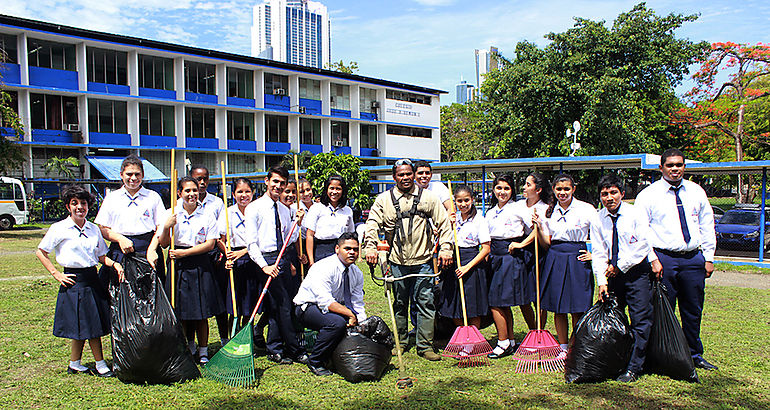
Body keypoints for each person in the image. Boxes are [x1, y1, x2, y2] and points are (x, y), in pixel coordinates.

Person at [635, 148, 718, 371]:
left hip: (692, 259)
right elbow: (641, 232)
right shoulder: (649, 195)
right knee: (662, 310)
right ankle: (663, 356)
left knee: (693, 310)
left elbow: (707, 224)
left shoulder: (696, 191)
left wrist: (708, 257)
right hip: (664, 259)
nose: (674, 169)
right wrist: (652, 259)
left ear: (684, 167)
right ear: (661, 167)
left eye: (679, 165)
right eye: (670, 165)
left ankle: (694, 354)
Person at [363, 158, 453, 361]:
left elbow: (444, 224)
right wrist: (370, 248)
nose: (405, 177)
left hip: (423, 261)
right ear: (394, 177)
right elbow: (372, 224)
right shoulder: (383, 200)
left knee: (426, 302)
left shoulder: (428, 198)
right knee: (400, 303)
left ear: (413, 174)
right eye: (400, 174)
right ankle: (400, 342)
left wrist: (446, 249)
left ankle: (425, 345)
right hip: (397, 262)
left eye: (408, 173)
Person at [36, 184, 124, 377]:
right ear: (68, 206)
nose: (79, 207)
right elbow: (41, 251)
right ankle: (101, 364)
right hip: (74, 282)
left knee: (85, 324)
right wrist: (56, 274)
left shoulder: (93, 229)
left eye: (83, 203)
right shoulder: (59, 228)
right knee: (89, 325)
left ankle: (74, 363)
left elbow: (101, 256)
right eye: (74, 203)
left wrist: (115, 264)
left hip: (92, 279)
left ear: (88, 206)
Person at [148, 176, 225, 364]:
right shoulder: (170, 213)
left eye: (194, 190)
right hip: (177, 263)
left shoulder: (206, 214)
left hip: (199, 262)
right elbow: (165, 243)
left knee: (201, 311)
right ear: (179, 193)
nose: (192, 194)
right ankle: (187, 346)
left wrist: (186, 253)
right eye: (187, 191)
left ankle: (204, 350)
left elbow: (210, 244)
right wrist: (166, 227)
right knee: (180, 310)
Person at [590, 174, 656, 382]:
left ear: (622, 194)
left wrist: (620, 266)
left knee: (640, 320)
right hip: (612, 275)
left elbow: (643, 245)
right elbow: (599, 251)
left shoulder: (635, 214)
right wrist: (602, 281)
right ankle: (617, 360)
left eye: (613, 193)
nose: (609, 197)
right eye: (604, 194)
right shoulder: (598, 218)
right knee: (615, 319)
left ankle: (635, 366)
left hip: (636, 273)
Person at [244, 165, 307, 365]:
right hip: (266, 259)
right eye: (275, 182)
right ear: (267, 181)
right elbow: (251, 243)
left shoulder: (284, 208)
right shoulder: (254, 208)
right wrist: (264, 266)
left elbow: (291, 238)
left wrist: (298, 221)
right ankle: (294, 349)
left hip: (284, 257)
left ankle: (275, 348)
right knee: (283, 305)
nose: (278, 186)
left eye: (282, 183)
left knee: (278, 305)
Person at [533, 174, 596, 356]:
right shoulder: (549, 211)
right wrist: (538, 228)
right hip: (556, 257)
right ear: (553, 190)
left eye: (566, 189)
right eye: (559, 189)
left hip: (577, 258)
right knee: (558, 306)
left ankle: (577, 345)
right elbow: (548, 243)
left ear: (573, 189)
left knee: (577, 306)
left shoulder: (586, 209)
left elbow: (600, 234)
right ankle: (563, 346)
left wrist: (594, 253)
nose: (563, 193)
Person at [293, 232, 366, 376]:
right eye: (347, 249)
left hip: (334, 306)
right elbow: (325, 301)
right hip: (307, 307)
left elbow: (357, 302)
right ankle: (315, 361)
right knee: (336, 323)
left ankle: (333, 355)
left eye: (355, 249)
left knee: (354, 323)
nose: (352, 252)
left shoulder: (356, 272)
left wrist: (362, 322)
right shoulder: (324, 267)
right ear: (337, 249)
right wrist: (350, 314)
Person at [95, 155, 166, 285]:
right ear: (121, 175)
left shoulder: (153, 197)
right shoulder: (112, 198)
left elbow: (160, 227)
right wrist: (120, 239)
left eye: (137, 174)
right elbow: (103, 227)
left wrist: (152, 250)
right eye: (129, 174)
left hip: (147, 249)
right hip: (120, 251)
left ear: (143, 175)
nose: (133, 178)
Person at [484, 175, 530, 358]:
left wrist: (520, 244)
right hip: (494, 255)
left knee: (496, 301)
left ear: (513, 190)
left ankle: (502, 343)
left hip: (510, 255)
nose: (502, 192)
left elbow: (535, 229)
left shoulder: (518, 208)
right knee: (501, 301)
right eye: (499, 188)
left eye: (507, 188)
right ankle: (510, 340)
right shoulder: (490, 212)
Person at [189, 165, 230, 346]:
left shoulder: (217, 202)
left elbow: (222, 232)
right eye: (198, 179)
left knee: (219, 296)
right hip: (192, 255)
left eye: (205, 178)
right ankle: (192, 342)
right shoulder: (185, 200)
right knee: (193, 300)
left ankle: (224, 337)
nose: (202, 183)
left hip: (214, 253)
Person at [439, 185, 490, 331]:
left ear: (472, 200)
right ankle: (463, 334)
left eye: (466, 200)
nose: (463, 204)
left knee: (472, 305)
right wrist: (448, 223)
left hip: (472, 263)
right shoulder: (454, 219)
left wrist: (468, 267)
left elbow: (486, 248)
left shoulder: (479, 219)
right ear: (455, 201)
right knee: (453, 304)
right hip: (453, 261)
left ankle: (472, 339)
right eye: (459, 201)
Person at [515, 173, 554, 330]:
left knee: (538, 297)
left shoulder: (545, 209)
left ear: (538, 190)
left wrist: (521, 244)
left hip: (538, 252)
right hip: (522, 253)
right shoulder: (518, 205)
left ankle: (540, 331)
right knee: (523, 296)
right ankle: (532, 329)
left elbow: (537, 232)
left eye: (528, 185)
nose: (524, 187)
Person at [218, 178, 257, 330]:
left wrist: (243, 252)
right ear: (233, 194)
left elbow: (260, 239)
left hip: (252, 257)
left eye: (247, 191)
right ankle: (232, 335)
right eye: (239, 192)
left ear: (252, 193)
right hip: (233, 258)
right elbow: (220, 239)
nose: (243, 195)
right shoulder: (228, 213)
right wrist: (228, 253)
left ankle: (248, 333)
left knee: (249, 302)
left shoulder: (256, 211)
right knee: (234, 303)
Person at [304, 175, 355, 265]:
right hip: (322, 251)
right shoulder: (317, 208)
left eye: (338, 189)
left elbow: (351, 235)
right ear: (326, 189)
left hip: (341, 251)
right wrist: (311, 261)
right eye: (331, 188)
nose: (334, 192)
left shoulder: (347, 211)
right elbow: (310, 235)